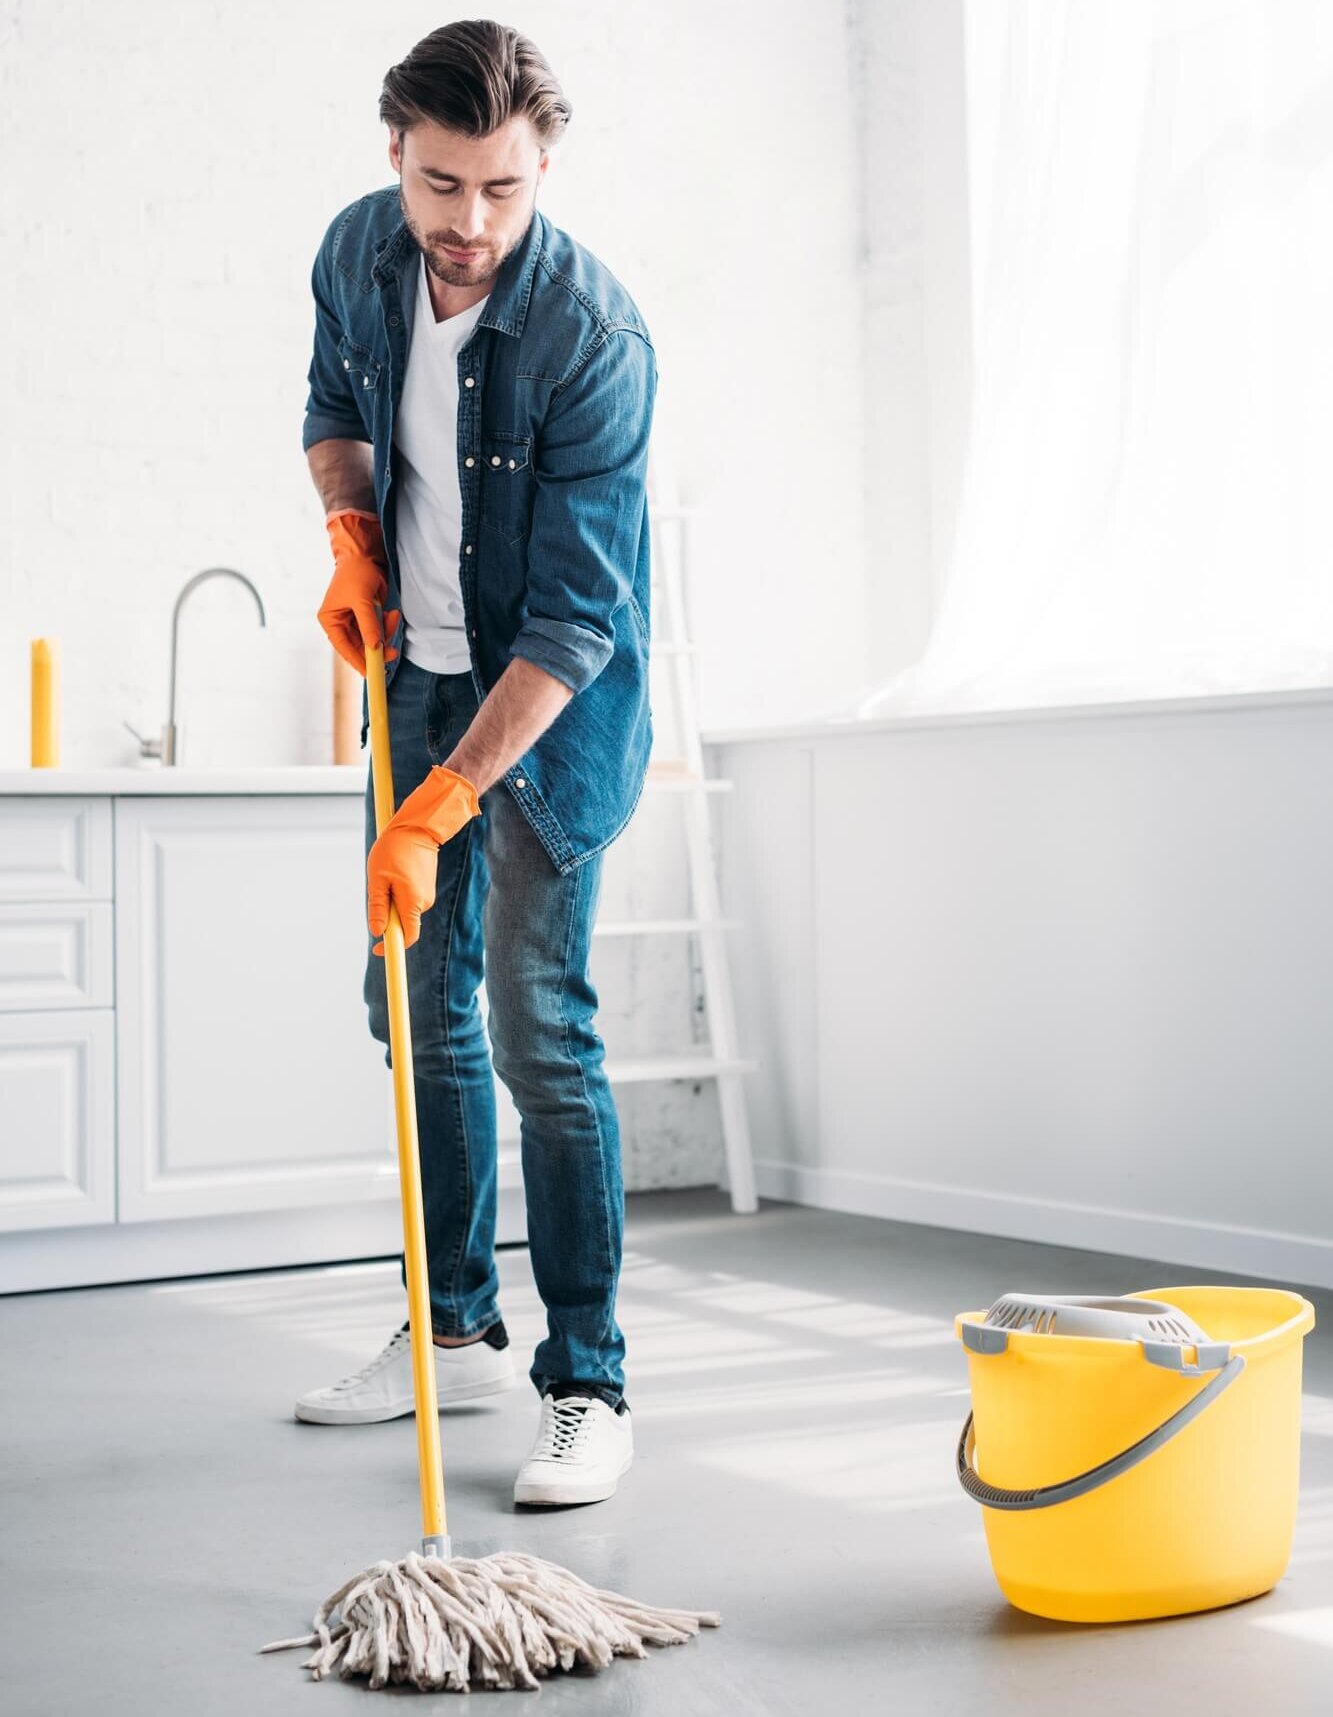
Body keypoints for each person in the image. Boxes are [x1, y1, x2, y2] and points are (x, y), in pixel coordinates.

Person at [294, 20, 657, 1509]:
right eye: (442, 185)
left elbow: (575, 623)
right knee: (412, 1012)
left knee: (534, 1031)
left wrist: (441, 805)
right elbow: (333, 406)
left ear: (541, 167)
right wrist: (350, 535)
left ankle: (587, 1379)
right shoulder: (358, 254)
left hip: (541, 716)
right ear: (396, 154)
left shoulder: (591, 333)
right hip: (419, 676)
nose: (468, 225)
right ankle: (449, 1331)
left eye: (500, 190)